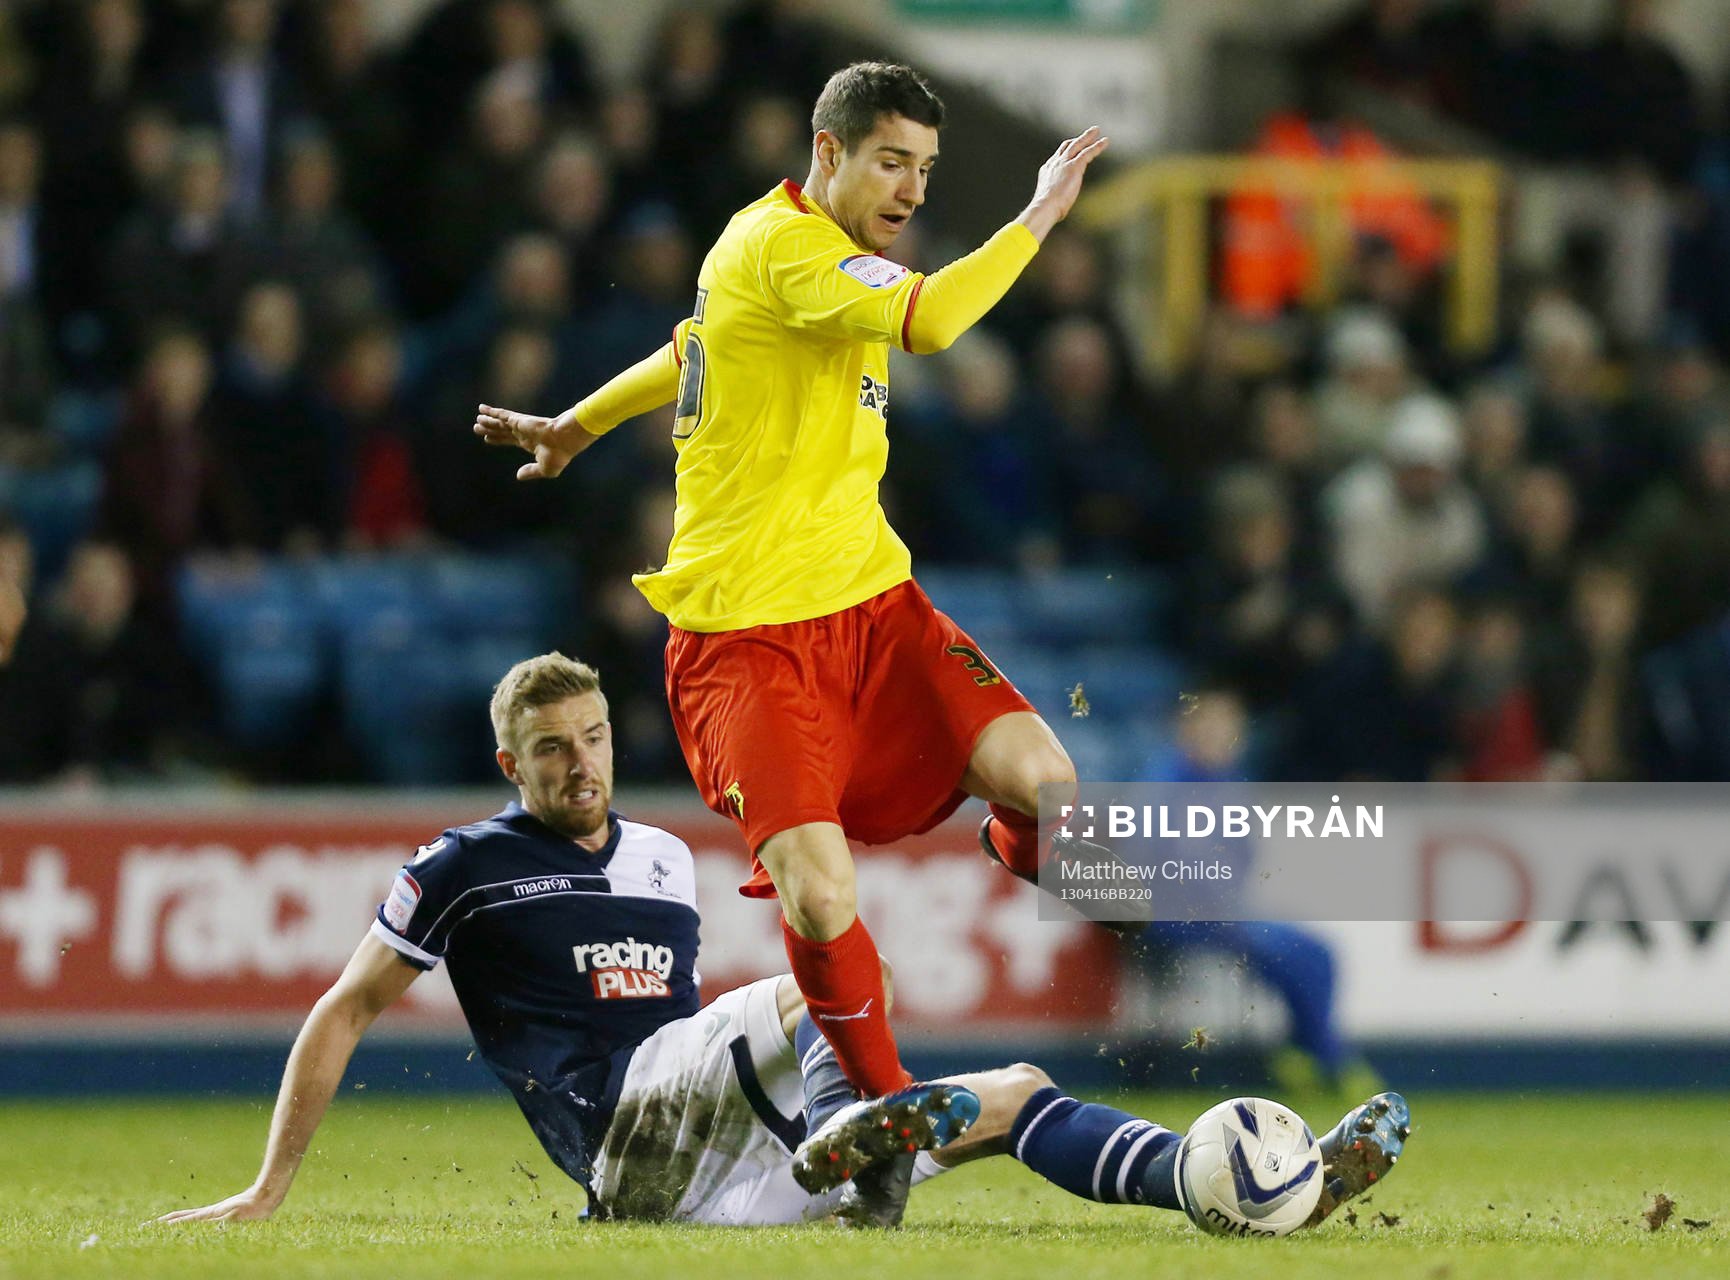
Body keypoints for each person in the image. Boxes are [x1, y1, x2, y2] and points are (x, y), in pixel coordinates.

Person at [154, 652, 1408, 1230]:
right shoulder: (460, 867)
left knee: (1019, 1089)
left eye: (592, 735)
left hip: (733, 1168)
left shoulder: (657, 859)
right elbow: (344, 1009)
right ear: (509, 761)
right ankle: (854, 1145)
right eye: (551, 745)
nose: (580, 760)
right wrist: (268, 1187)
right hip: (621, 1152)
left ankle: (1218, 1185)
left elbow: (693, 1043)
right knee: (813, 985)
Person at [473, 62, 1115, 1166]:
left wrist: (578, 423)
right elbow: (932, 324)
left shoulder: (784, 256)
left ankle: (1018, 856)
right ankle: (883, 1107)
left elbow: (692, 350)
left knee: (1051, 790)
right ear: (827, 153)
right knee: (820, 893)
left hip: (873, 609)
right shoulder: (784, 249)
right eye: (888, 162)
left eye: (923, 168)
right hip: (746, 643)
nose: (909, 188)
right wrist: (1036, 216)